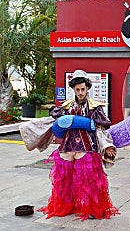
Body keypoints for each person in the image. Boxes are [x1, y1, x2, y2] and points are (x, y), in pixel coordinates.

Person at [38, 69, 119, 221]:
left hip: (86, 147)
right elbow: (53, 121)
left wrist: (107, 145)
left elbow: (101, 128)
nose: (80, 92)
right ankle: (65, 206)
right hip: (67, 147)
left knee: (90, 181)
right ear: (73, 89)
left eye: (83, 89)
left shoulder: (95, 107)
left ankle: (93, 209)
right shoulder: (66, 106)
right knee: (63, 180)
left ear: (87, 88)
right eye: (77, 89)